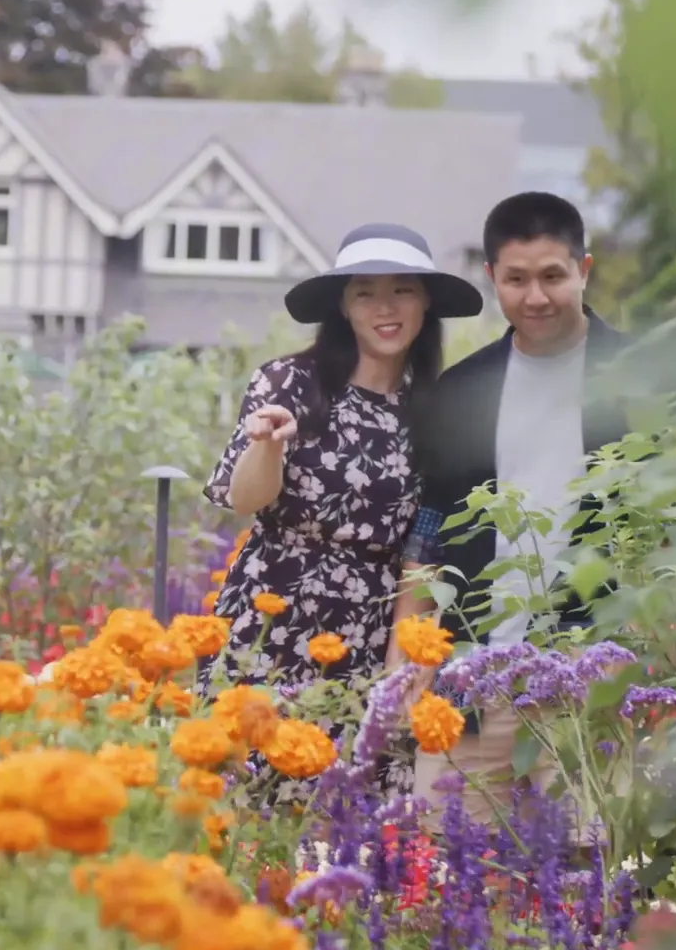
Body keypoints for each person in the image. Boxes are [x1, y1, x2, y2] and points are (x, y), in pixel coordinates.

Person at [202, 223, 484, 797]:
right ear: (343, 306)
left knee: (349, 810)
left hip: (370, 625)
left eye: (402, 290)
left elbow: (423, 545)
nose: (385, 307)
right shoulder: (289, 383)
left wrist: (401, 667)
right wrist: (269, 443)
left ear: (426, 301)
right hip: (271, 618)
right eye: (365, 292)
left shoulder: (433, 409)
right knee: (243, 795)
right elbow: (244, 499)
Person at [396, 192, 635, 820]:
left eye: (553, 276)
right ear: (492, 279)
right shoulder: (463, 391)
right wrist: (408, 652)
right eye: (517, 279)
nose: (536, 297)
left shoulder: (641, 379)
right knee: (446, 889)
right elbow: (429, 531)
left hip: (590, 688)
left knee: (588, 884)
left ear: (584, 270)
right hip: (472, 684)